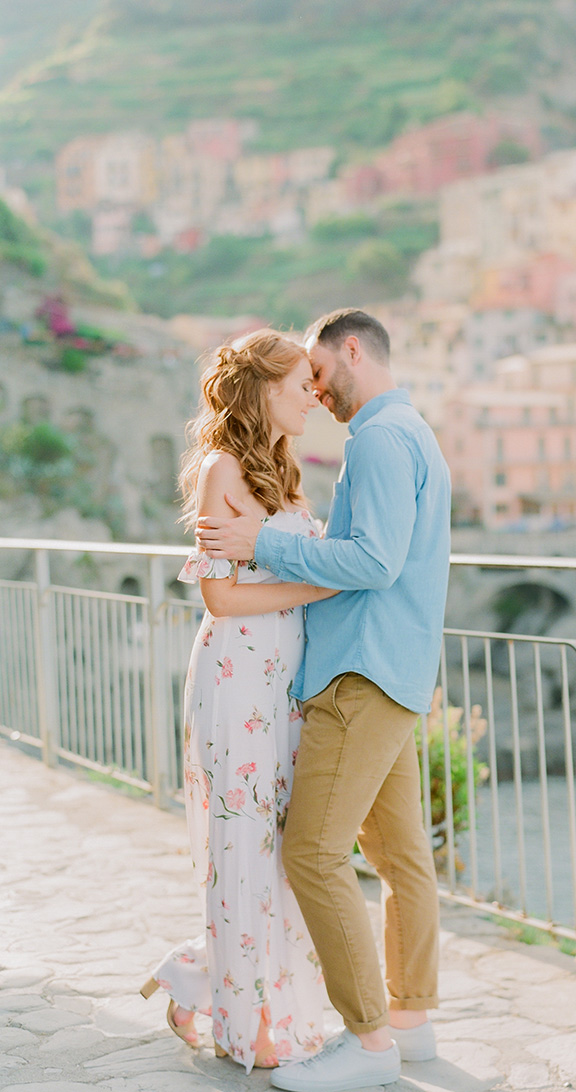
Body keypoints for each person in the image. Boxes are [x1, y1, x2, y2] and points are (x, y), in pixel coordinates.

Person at [195, 308, 452, 1092]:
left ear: (350, 351)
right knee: (401, 854)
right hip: (394, 668)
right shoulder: (410, 429)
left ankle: (369, 1042)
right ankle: (408, 1023)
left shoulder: (376, 437)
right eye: (296, 379)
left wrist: (262, 545)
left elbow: (371, 562)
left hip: (363, 669)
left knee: (310, 853)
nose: (314, 388)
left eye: (316, 370)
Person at [140, 329, 338, 1074]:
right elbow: (222, 597)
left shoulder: (284, 474)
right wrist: (329, 581)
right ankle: (245, 1017)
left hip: (283, 682)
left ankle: (209, 980)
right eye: (299, 386)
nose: (313, 397)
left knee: (280, 850)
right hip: (236, 680)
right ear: (261, 390)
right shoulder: (224, 467)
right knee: (242, 847)